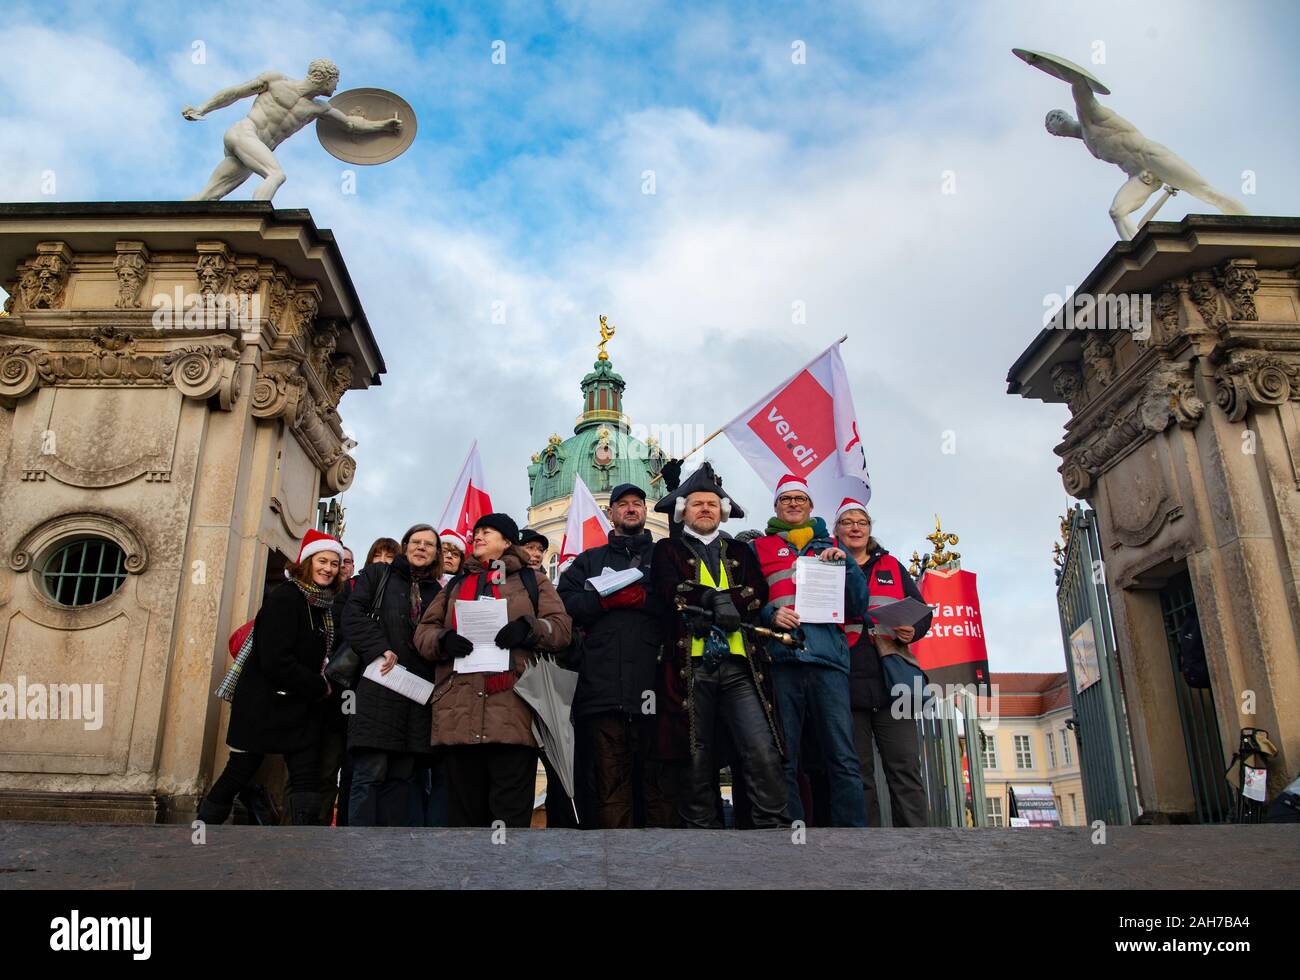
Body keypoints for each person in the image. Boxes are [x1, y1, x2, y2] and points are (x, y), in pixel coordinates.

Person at [649, 462, 787, 829]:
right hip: (689, 667)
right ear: (684, 511)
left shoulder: (741, 550)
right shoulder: (666, 550)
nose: (706, 508)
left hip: (742, 665)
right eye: (697, 504)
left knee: (761, 747)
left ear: (722, 510)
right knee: (693, 753)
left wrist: (727, 604)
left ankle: (771, 827)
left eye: (712, 503)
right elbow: (665, 590)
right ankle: (701, 834)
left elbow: (757, 592)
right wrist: (711, 598)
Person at [414, 514, 573, 827]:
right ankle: (467, 877)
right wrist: (443, 639)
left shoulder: (533, 581)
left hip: (514, 713)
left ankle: (506, 874)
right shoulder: (457, 584)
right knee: (464, 819)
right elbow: (423, 632)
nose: (478, 537)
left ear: (507, 542)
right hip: (459, 713)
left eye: (487, 532)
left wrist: (529, 630)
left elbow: (561, 629)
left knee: (509, 817)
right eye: (476, 532)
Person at [198, 530, 343, 825]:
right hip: (262, 705)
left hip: (298, 707)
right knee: (240, 769)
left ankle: (303, 844)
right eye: (322, 561)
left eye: (334, 563)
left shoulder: (320, 605)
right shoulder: (286, 599)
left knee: (305, 776)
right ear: (307, 562)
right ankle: (203, 827)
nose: (328, 568)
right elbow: (275, 660)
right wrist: (318, 685)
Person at [752, 474, 870, 827]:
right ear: (775, 506)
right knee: (784, 756)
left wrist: (846, 565)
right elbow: (751, 601)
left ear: (810, 507)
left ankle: (852, 836)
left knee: (842, 756)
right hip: (782, 660)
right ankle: (792, 835)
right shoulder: (759, 548)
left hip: (828, 662)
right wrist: (771, 614)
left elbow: (858, 606)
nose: (792, 504)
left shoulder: (832, 546)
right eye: (785, 499)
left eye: (799, 499)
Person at [558, 483, 663, 828]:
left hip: (655, 686)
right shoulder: (590, 560)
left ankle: (661, 863)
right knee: (607, 780)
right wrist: (602, 601)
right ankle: (614, 861)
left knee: (656, 780)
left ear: (645, 511)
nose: (631, 509)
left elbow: (680, 599)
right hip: (601, 690)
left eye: (637, 503)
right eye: (623, 504)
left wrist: (644, 601)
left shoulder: (662, 557)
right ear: (611, 513)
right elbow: (565, 604)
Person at [835, 499, 932, 827]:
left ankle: (918, 841)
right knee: (858, 772)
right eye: (847, 522)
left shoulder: (891, 564)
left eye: (861, 522)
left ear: (870, 529)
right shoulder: (828, 564)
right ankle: (870, 847)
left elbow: (922, 612)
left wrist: (912, 629)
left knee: (905, 767)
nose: (855, 527)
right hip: (847, 678)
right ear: (838, 530)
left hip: (892, 679)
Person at [344, 524, 442, 826]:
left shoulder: (437, 592)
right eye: (416, 542)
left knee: (401, 778)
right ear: (405, 545)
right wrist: (380, 648)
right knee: (370, 774)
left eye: (429, 544)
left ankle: (388, 854)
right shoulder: (379, 575)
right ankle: (357, 846)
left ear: (436, 553)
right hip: (379, 687)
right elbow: (353, 615)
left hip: (415, 696)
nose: (422, 547)